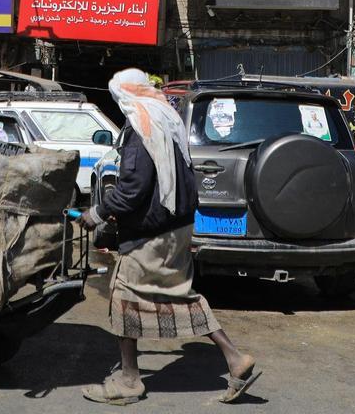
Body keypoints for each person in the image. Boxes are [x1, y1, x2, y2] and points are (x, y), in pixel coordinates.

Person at [79, 69, 259, 406]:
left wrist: (98, 212)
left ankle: (130, 380)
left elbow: (132, 189)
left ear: (124, 95)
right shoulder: (166, 119)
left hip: (152, 231)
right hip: (177, 225)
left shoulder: (141, 128)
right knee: (177, 292)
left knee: (124, 294)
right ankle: (234, 359)